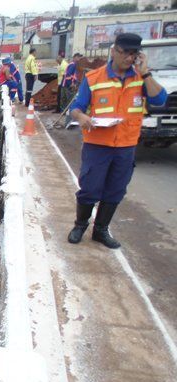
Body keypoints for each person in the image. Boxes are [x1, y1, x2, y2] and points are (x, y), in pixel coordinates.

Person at [67, 33, 167, 248]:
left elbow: (160, 99)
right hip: (97, 145)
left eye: (134, 54)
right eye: (125, 53)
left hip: (125, 146)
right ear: (114, 51)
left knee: (116, 189)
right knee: (89, 188)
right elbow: (76, 107)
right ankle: (80, 225)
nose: (129, 58)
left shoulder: (141, 79)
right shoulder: (94, 78)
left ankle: (101, 230)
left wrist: (146, 73)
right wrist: (82, 117)